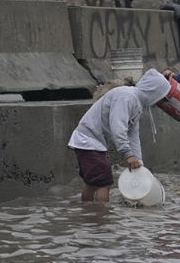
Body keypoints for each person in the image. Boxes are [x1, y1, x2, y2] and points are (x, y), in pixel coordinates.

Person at [67, 68, 171, 202]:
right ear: (152, 91)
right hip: (88, 140)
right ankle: (101, 218)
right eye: (160, 95)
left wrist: (139, 162)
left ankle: (88, 215)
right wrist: (128, 154)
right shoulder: (126, 96)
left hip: (92, 141)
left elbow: (133, 135)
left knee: (92, 182)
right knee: (104, 182)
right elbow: (118, 127)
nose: (160, 100)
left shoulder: (137, 105)